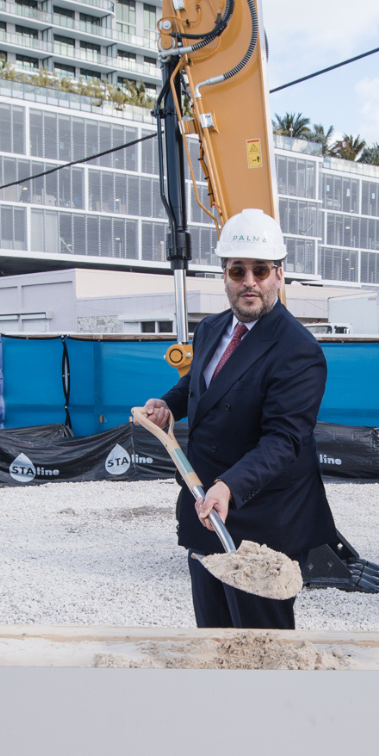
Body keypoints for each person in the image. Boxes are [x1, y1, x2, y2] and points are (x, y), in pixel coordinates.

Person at [140, 209, 336, 629]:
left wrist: (229, 487)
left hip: (265, 519)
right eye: (237, 270)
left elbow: (284, 441)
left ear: (279, 275)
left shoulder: (298, 351)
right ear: (224, 276)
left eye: (260, 270)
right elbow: (202, 383)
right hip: (206, 507)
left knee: (262, 645)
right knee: (213, 636)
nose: (249, 281)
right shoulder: (211, 329)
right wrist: (169, 405)